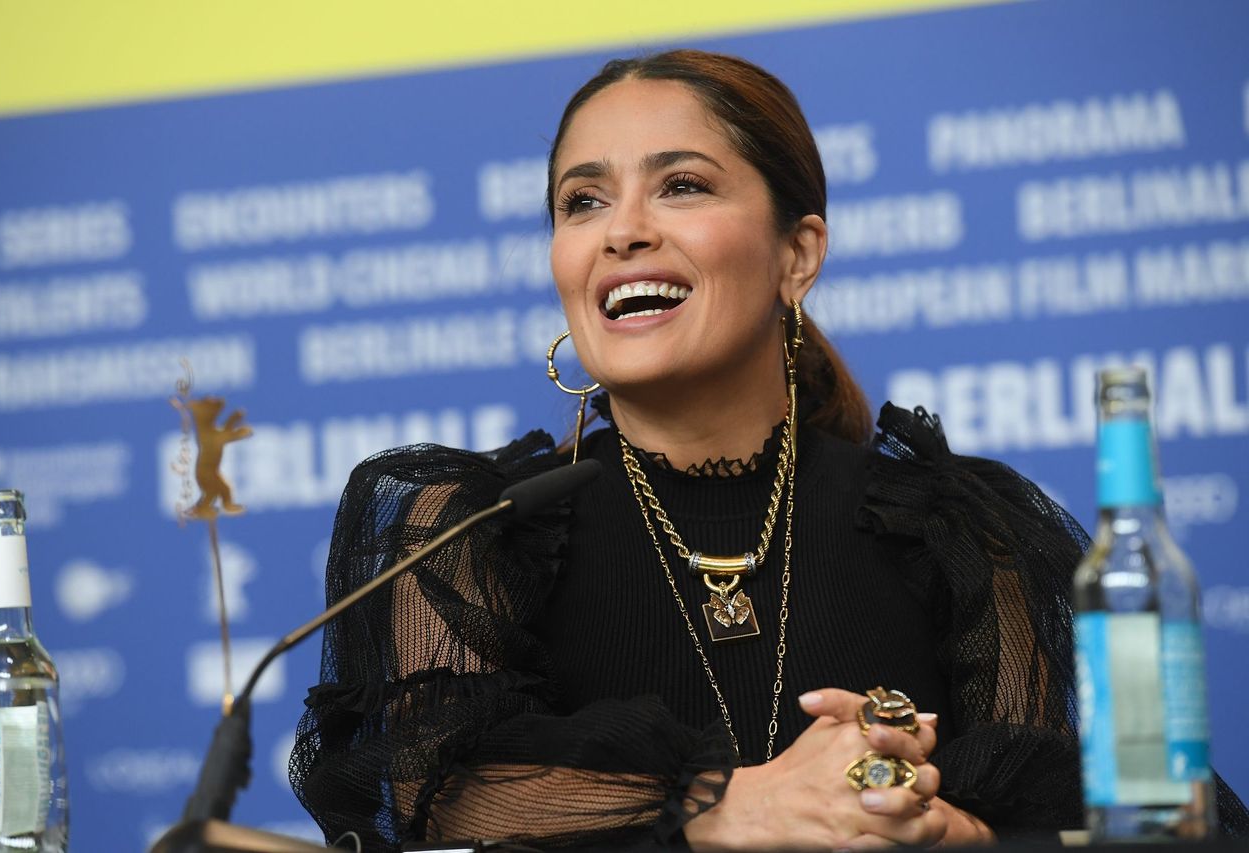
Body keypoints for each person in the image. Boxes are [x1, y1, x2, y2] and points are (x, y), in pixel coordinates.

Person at [290, 50, 1248, 850]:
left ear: (798, 254)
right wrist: (731, 806)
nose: (623, 230)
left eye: (681, 186)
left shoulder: (958, 531)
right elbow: (431, 800)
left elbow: (1126, 811)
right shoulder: (470, 531)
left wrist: (954, 829)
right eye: (582, 202)